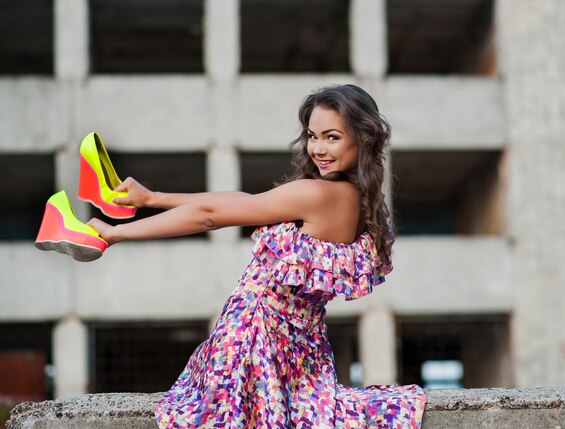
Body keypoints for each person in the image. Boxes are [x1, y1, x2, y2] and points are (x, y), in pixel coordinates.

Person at [88, 84, 426, 428]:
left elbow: (210, 215)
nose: (318, 149)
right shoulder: (363, 204)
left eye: (332, 137)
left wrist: (116, 233)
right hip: (297, 353)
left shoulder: (318, 194)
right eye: (312, 136)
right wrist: (152, 198)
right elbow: (243, 200)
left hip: (254, 339)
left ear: (363, 138)